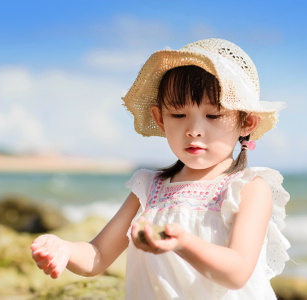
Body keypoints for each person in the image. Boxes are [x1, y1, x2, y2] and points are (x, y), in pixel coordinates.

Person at [31, 38, 290, 299]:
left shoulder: (248, 189)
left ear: (246, 123)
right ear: (160, 119)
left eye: (213, 115)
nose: (194, 130)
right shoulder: (148, 188)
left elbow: (237, 272)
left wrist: (183, 243)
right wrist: (65, 250)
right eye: (179, 115)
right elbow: (98, 256)